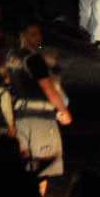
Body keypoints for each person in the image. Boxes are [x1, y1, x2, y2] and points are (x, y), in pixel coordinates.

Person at [6, 25, 73, 188]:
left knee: (26, 166)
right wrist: (64, 111)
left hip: (21, 116)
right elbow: (48, 89)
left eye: (39, 34)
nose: (38, 38)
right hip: (40, 119)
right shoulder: (34, 60)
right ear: (23, 35)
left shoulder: (12, 58)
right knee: (42, 170)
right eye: (33, 35)